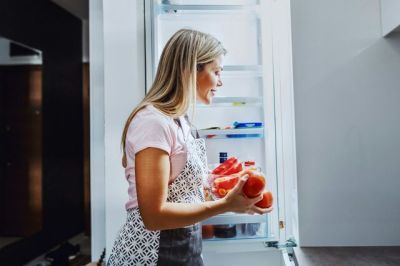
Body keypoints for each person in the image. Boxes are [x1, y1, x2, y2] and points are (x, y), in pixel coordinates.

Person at [107, 29, 272, 266]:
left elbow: (183, 192)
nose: (220, 81)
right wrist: (225, 205)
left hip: (183, 246)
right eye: (216, 72)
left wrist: (233, 195)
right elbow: (153, 216)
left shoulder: (180, 121)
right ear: (190, 70)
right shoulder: (152, 122)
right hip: (151, 254)